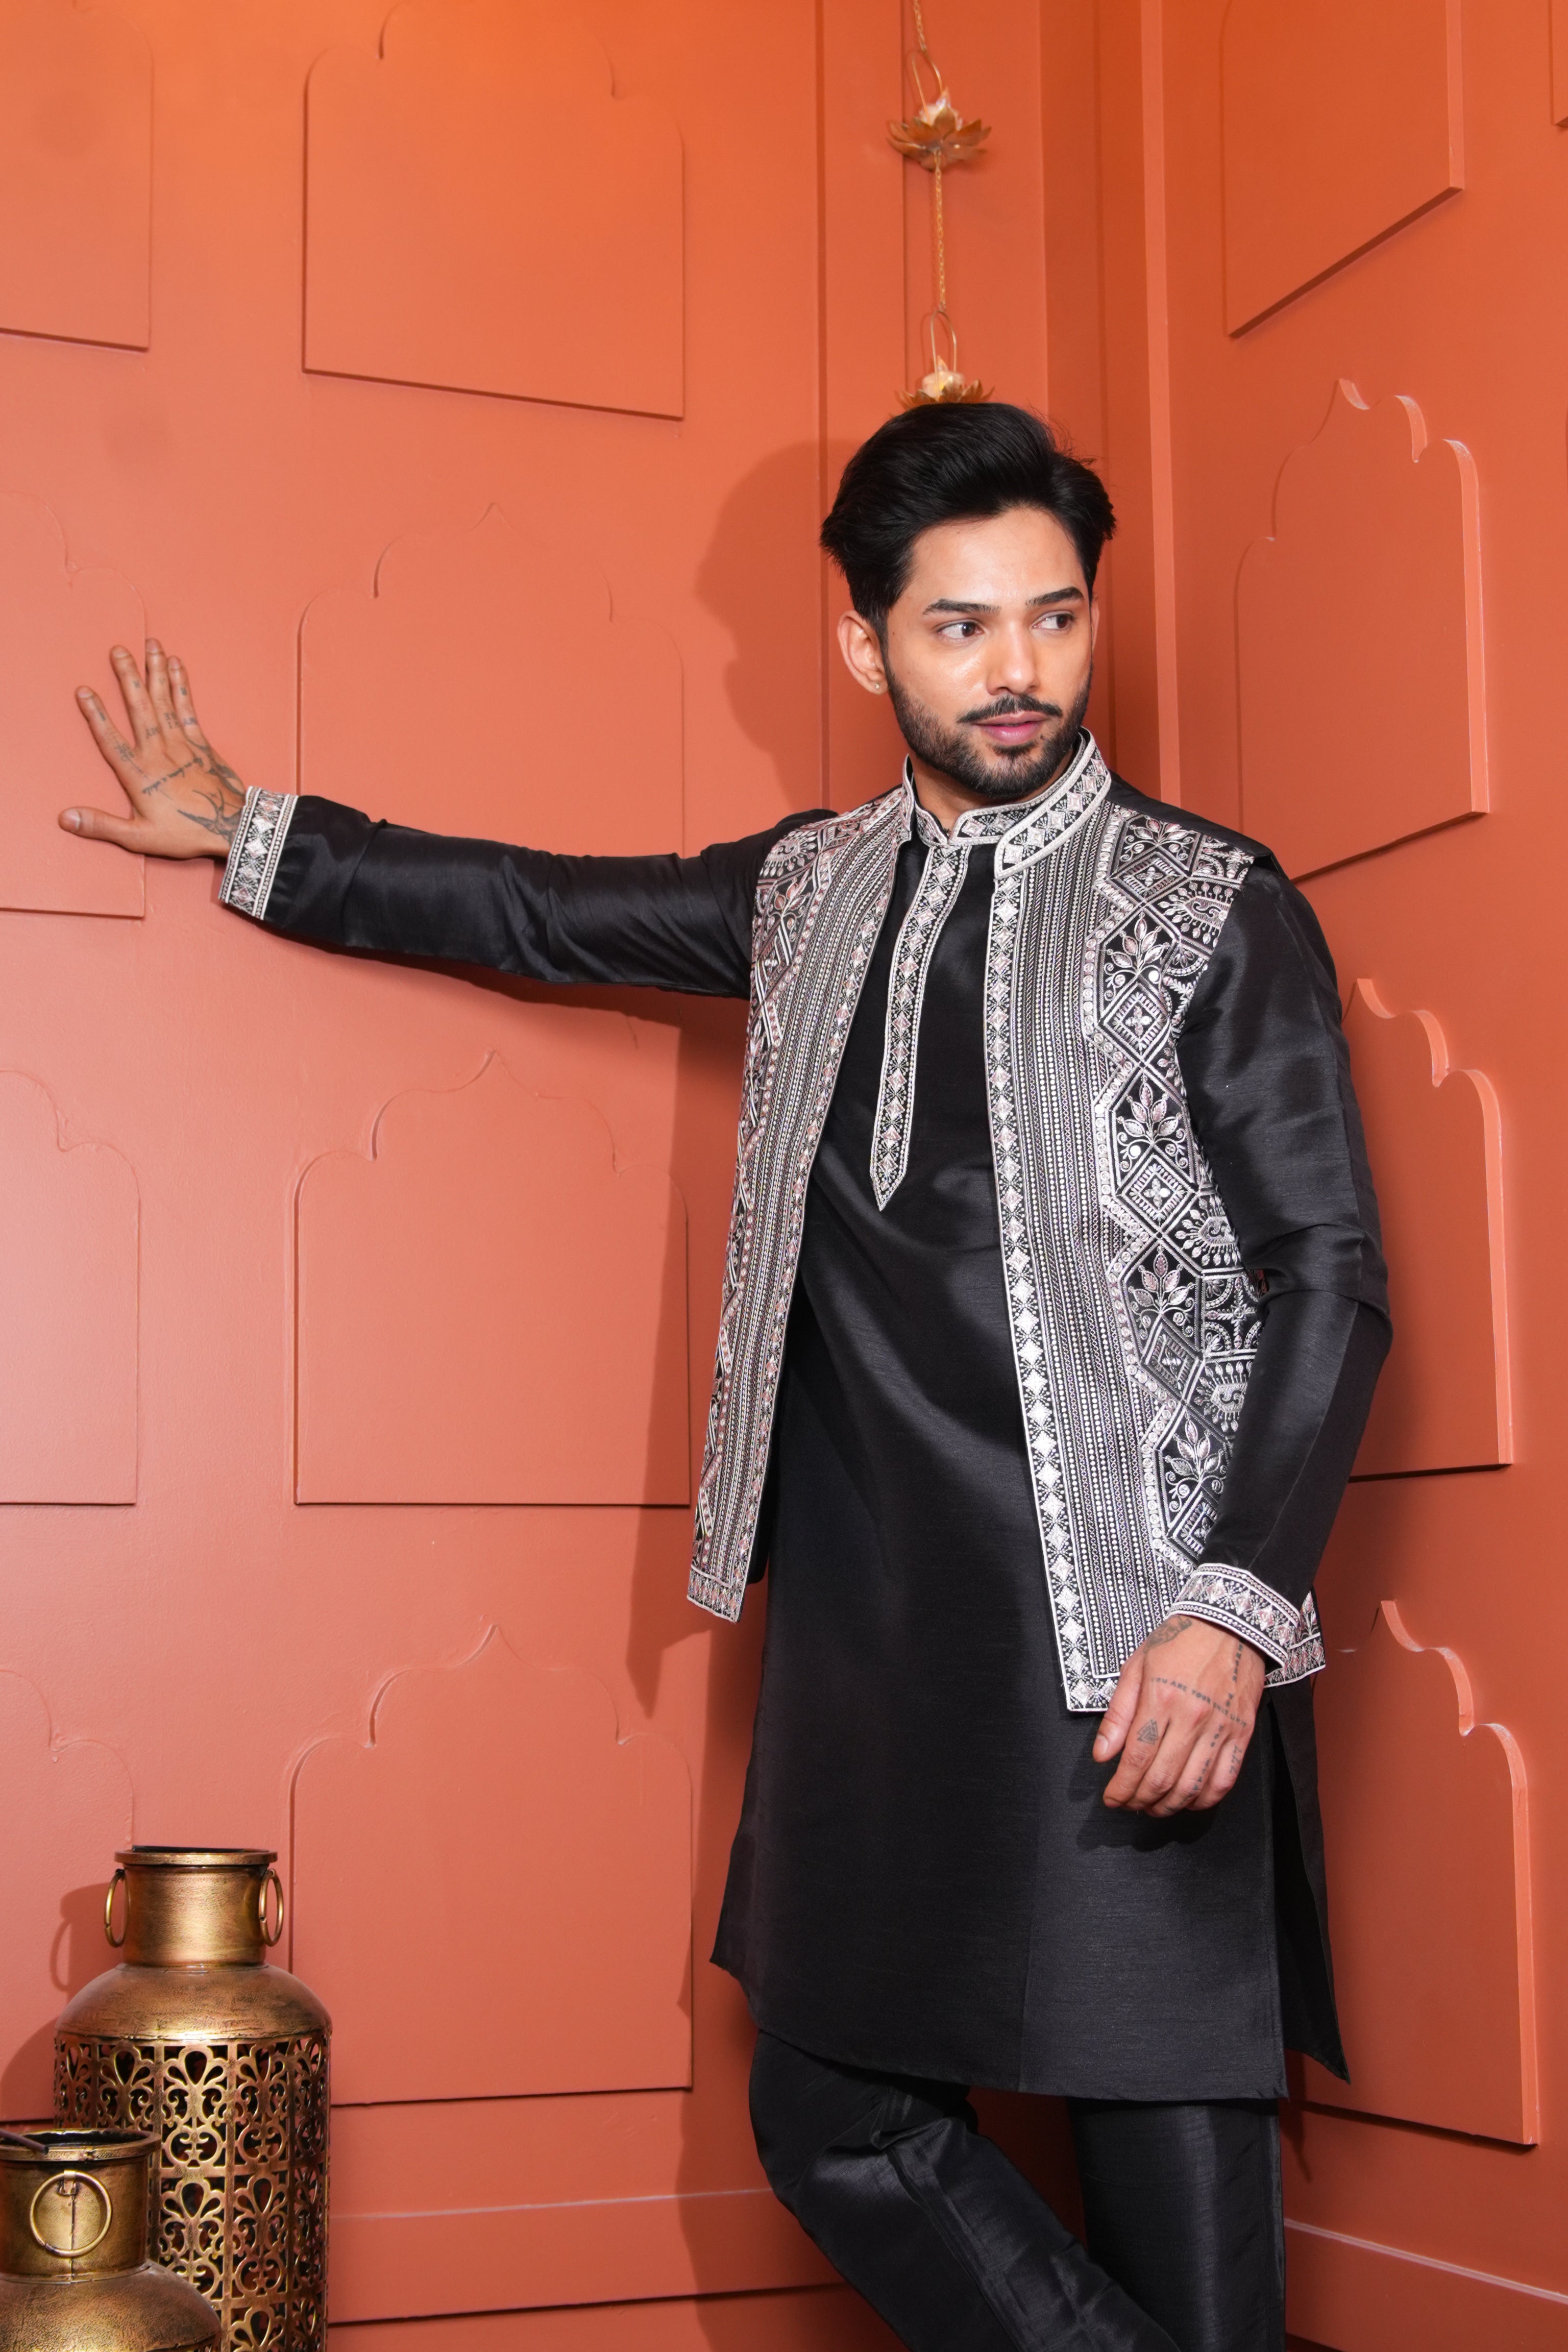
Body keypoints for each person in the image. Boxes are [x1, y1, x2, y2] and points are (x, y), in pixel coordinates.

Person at [62, 404, 1389, 2352]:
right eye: (960, 629)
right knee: (830, 2115)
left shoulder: (1212, 903)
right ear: (867, 647)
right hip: (877, 1651)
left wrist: (1229, 1612)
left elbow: (1330, 1275)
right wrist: (262, 837)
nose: (1018, 671)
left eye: (1055, 618)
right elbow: (537, 907)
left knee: (1183, 2217)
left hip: (1136, 1645)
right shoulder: (805, 894)